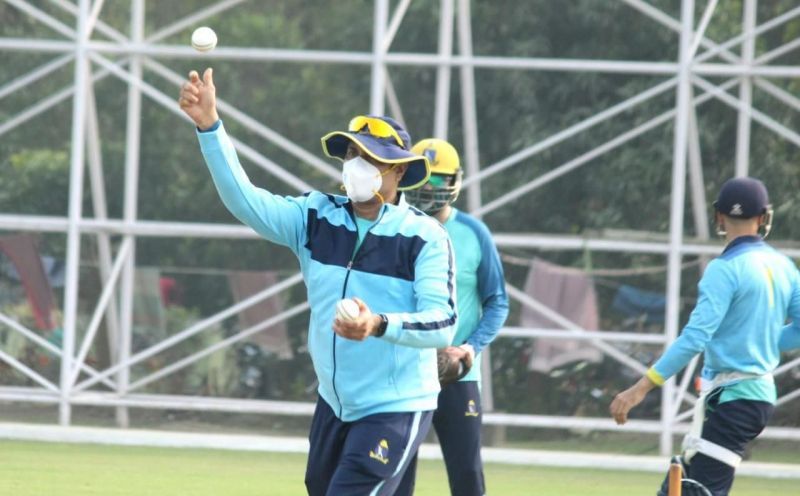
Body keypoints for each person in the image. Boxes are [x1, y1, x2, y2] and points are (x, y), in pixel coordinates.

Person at [179, 68, 457, 496]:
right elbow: (245, 200)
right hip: (333, 405)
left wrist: (378, 324)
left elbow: (443, 324)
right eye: (351, 156)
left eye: (372, 160)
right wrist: (209, 127)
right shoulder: (315, 216)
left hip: (396, 409)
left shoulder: (424, 237)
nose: (357, 167)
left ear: (399, 172)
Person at [609, 177, 800, 496]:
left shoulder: (723, 269)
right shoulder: (785, 267)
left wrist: (641, 387)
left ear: (719, 217)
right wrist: (760, 340)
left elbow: (695, 338)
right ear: (764, 217)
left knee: (699, 492)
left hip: (736, 399)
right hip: (752, 397)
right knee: (676, 488)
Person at [401, 138, 509, 496]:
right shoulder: (397, 226)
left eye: (436, 182)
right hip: (406, 374)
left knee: (467, 477)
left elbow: (497, 302)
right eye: (419, 181)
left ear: (454, 183)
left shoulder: (475, 233)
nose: (426, 191)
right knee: (397, 477)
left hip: (458, 376)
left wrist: (470, 348)